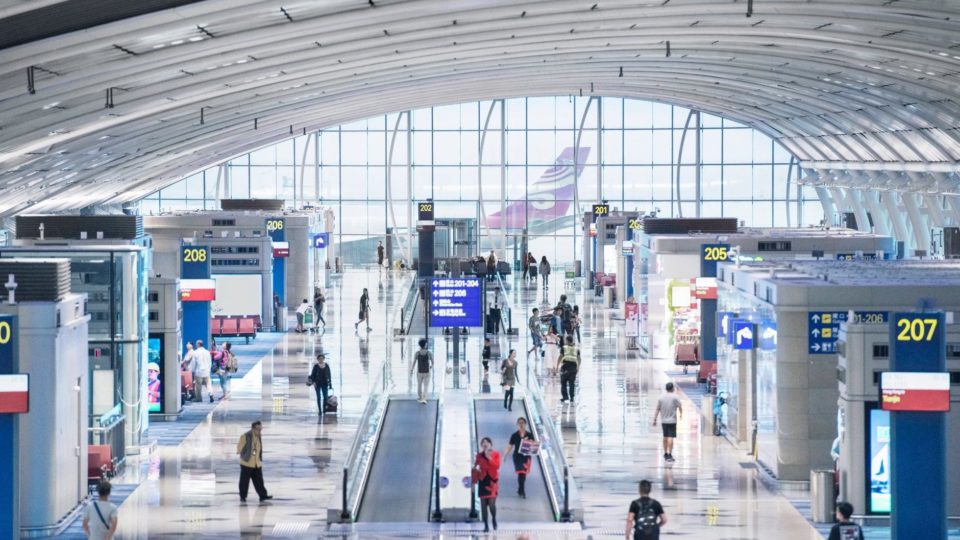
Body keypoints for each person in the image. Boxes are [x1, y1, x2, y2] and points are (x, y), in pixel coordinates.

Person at [237, 420, 273, 503]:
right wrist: (244, 454)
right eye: (258, 429)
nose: (260, 431)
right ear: (253, 428)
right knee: (244, 481)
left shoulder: (258, 436)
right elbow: (239, 448)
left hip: (256, 463)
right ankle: (243, 496)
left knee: (259, 481)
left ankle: (263, 496)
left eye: (261, 429)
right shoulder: (245, 436)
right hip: (247, 463)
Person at [473, 436, 500, 532]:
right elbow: (475, 467)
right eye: (483, 442)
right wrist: (474, 480)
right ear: (481, 445)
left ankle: (494, 519)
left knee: (492, 504)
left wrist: (489, 457)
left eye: (487, 442)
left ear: (490, 444)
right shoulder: (479, 456)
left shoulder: (496, 454)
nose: (485, 444)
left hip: (492, 480)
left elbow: (496, 466)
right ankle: (486, 525)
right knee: (483, 505)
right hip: (482, 480)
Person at [504, 417, 535, 499]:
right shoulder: (514, 435)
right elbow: (510, 446)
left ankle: (520, 489)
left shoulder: (529, 435)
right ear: (517, 424)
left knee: (523, 473)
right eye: (519, 423)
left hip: (526, 457)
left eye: (522, 423)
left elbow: (533, 445)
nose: (521, 424)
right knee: (520, 472)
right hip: (517, 457)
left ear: (525, 424)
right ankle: (522, 490)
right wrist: (505, 454)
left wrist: (529, 442)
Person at [652, 382, 683, 462]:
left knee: (665, 436)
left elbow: (657, 409)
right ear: (672, 388)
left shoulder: (661, 397)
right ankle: (669, 454)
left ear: (666, 388)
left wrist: (654, 419)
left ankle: (665, 453)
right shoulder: (675, 397)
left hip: (664, 420)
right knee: (670, 437)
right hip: (672, 420)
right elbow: (680, 406)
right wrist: (680, 414)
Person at [308, 353, 333, 418]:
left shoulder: (326, 365)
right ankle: (320, 410)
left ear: (324, 359)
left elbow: (329, 375)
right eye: (319, 359)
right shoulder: (316, 366)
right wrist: (313, 382)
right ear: (318, 359)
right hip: (317, 384)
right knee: (318, 397)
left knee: (325, 397)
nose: (321, 360)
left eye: (322, 359)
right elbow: (312, 375)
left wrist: (330, 384)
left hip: (325, 384)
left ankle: (324, 409)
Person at [410, 338, 433, 403]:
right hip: (427, 372)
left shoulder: (417, 353)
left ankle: (420, 398)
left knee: (419, 385)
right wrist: (431, 366)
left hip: (419, 372)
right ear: (425, 344)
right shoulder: (429, 353)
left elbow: (414, 362)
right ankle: (424, 399)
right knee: (426, 386)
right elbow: (433, 362)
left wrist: (412, 369)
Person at [558, 336, 580, 403]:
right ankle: (572, 398)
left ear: (567, 341)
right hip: (573, 368)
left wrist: (557, 365)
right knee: (571, 384)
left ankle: (565, 397)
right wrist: (578, 367)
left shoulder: (564, 348)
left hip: (565, 367)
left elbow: (560, 357)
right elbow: (579, 359)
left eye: (565, 340)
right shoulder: (577, 349)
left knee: (563, 382)